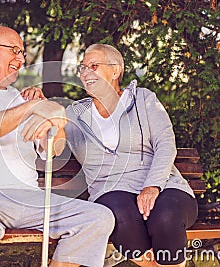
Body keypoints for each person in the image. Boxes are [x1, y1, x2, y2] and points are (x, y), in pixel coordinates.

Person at [0, 24, 115, 267]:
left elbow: (54, 149)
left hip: (28, 199)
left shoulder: (21, 98)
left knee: (98, 217)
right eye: (14, 51)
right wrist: (32, 108)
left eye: (22, 53)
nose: (21, 59)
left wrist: (56, 124)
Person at [64, 44, 198, 267]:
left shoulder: (143, 99)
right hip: (110, 190)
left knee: (166, 217)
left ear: (115, 70)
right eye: (82, 67)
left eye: (93, 66)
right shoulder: (75, 114)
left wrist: (152, 186)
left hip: (164, 186)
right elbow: (49, 142)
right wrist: (37, 105)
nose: (85, 72)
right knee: (121, 218)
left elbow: (165, 144)